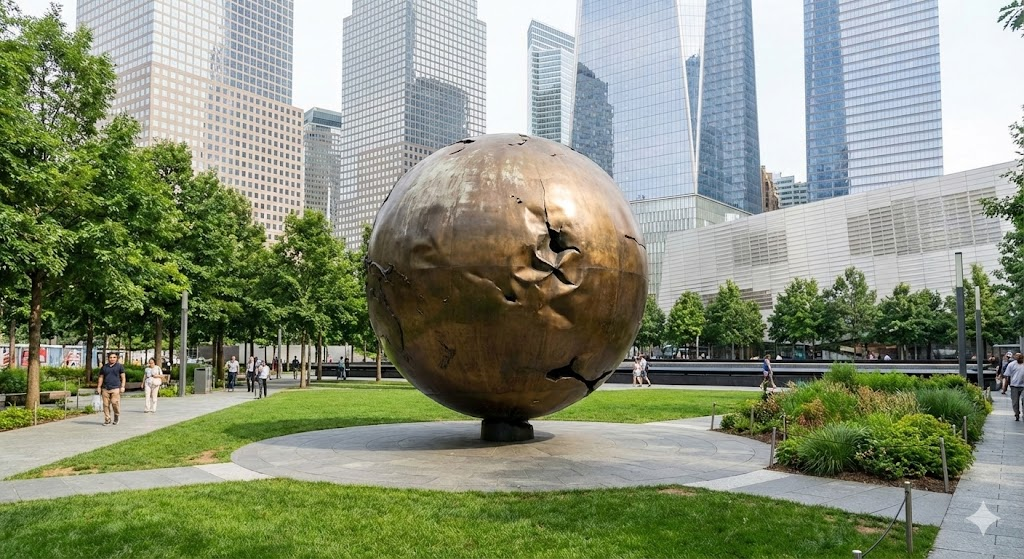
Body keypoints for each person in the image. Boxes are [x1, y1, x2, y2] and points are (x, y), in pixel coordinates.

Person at [96, 352, 125, 426]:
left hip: (115, 388)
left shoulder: (120, 366)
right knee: (106, 405)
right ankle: (107, 419)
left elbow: (123, 377)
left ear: (116, 358)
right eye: (111, 357)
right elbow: (101, 377)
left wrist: (122, 386)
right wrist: (99, 387)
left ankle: (116, 416)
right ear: (108, 358)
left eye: (114, 357)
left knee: (115, 403)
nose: (112, 359)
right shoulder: (104, 367)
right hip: (105, 388)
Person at [1006, 353, 1024, 421]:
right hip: (1014, 386)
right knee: (1015, 402)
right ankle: (1017, 413)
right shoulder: (1011, 365)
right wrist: (1006, 386)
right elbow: (1007, 375)